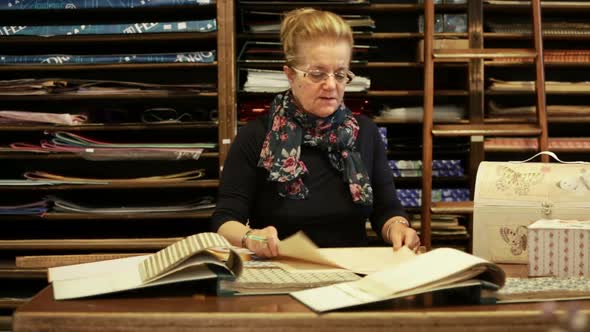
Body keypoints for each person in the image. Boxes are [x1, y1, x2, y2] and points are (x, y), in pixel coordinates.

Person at [211, 8, 420, 257]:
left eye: (340, 74)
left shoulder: (364, 132)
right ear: (289, 74)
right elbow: (225, 219)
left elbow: (387, 211)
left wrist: (398, 228)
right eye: (317, 74)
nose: (331, 85)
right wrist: (250, 237)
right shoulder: (255, 136)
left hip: (352, 272)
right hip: (281, 271)